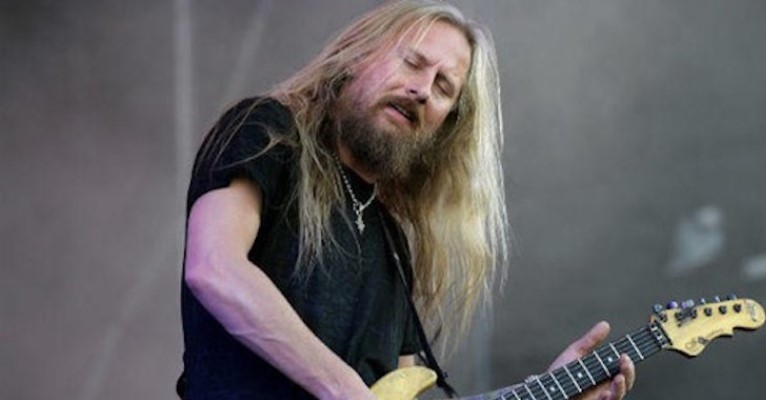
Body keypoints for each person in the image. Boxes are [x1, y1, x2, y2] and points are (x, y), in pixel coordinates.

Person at [178, 1, 635, 399]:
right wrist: (344, 388)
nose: (422, 90)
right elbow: (214, 268)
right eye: (413, 63)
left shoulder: (392, 247)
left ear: (443, 127)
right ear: (356, 56)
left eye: (443, 88)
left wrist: (547, 392)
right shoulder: (268, 132)